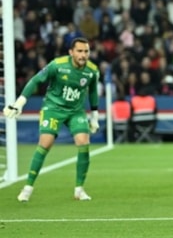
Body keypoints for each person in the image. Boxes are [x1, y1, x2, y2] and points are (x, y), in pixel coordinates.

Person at [3, 38, 100, 202]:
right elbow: (36, 80)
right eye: (80, 51)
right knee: (45, 143)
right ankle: (28, 187)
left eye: (86, 51)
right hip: (53, 108)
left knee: (83, 142)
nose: (83, 55)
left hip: (75, 111)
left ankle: (79, 189)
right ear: (71, 52)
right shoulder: (57, 65)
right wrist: (20, 102)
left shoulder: (92, 71)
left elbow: (93, 92)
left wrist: (95, 116)